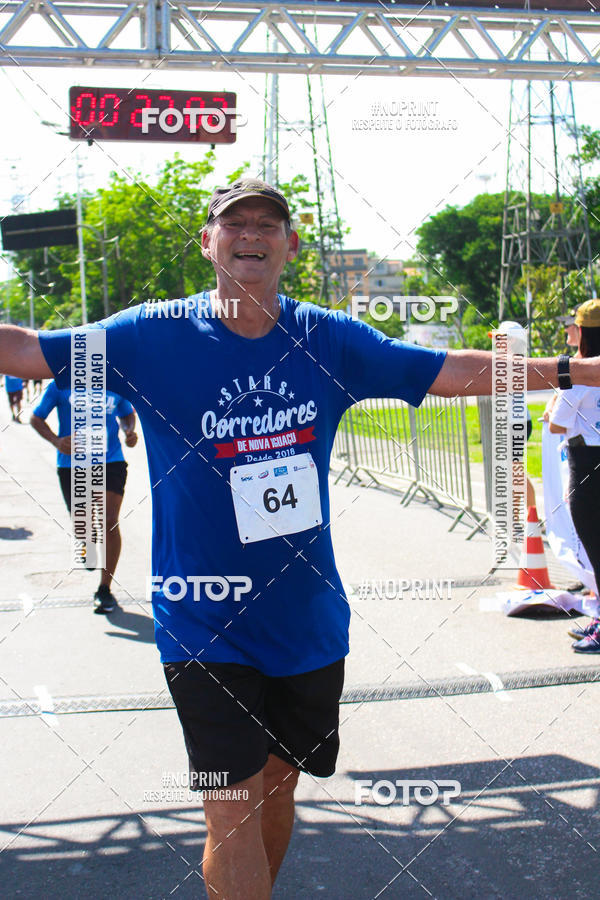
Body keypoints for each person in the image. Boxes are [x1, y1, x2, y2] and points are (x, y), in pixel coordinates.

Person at [3, 178, 600, 898]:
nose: (251, 234)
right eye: (235, 223)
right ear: (208, 242)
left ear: (289, 246)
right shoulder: (148, 335)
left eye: (268, 225)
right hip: (202, 614)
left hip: (307, 619)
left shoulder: (328, 339)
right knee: (229, 807)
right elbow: (28, 349)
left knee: (277, 789)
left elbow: (451, 372)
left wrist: (580, 369)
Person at [30, 380, 138, 614]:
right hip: (73, 465)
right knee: (83, 525)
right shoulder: (60, 384)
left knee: (110, 521)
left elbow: (127, 413)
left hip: (111, 461)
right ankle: (86, 542)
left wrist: (129, 431)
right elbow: (36, 418)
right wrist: (56, 441)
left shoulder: (114, 382)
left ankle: (104, 589)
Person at [549, 299, 600, 653]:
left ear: (583, 332)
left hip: (586, 465)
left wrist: (555, 400)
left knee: (596, 547)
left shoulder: (580, 372)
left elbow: (556, 423)